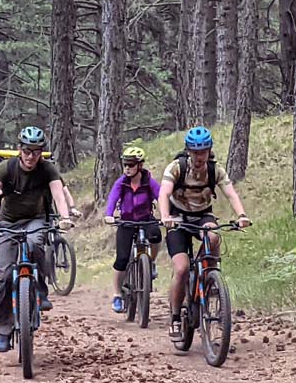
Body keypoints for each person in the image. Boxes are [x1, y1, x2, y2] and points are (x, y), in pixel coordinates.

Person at [0, 126, 74, 353]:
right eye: (27, 151)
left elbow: (58, 195)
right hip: (8, 222)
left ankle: (40, 290)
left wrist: (65, 217)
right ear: (19, 149)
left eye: (36, 152)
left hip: (35, 219)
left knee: (35, 244)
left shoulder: (47, 169)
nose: (31, 156)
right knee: (4, 277)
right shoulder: (5, 168)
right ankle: (4, 329)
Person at [158, 126, 252, 340]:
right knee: (181, 268)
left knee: (213, 236)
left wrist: (242, 215)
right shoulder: (176, 167)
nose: (199, 156)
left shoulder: (215, 170)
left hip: (202, 215)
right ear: (188, 151)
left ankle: (210, 276)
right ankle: (174, 318)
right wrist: (165, 217)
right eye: (195, 151)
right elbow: (164, 193)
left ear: (209, 150)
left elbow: (231, 193)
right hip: (177, 217)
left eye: (203, 151)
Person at [104, 146, 162, 313]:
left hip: (145, 219)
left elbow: (160, 196)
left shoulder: (148, 181)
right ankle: (117, 295)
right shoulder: (121, 182)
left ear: (140, 166)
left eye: (131, 165)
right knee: (121, 259)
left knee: (156, 236)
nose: (127, 168)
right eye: (125, 165)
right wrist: (109, 214)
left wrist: (168, 214)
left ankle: (150, 262)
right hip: (126, 221)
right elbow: (113, 198)